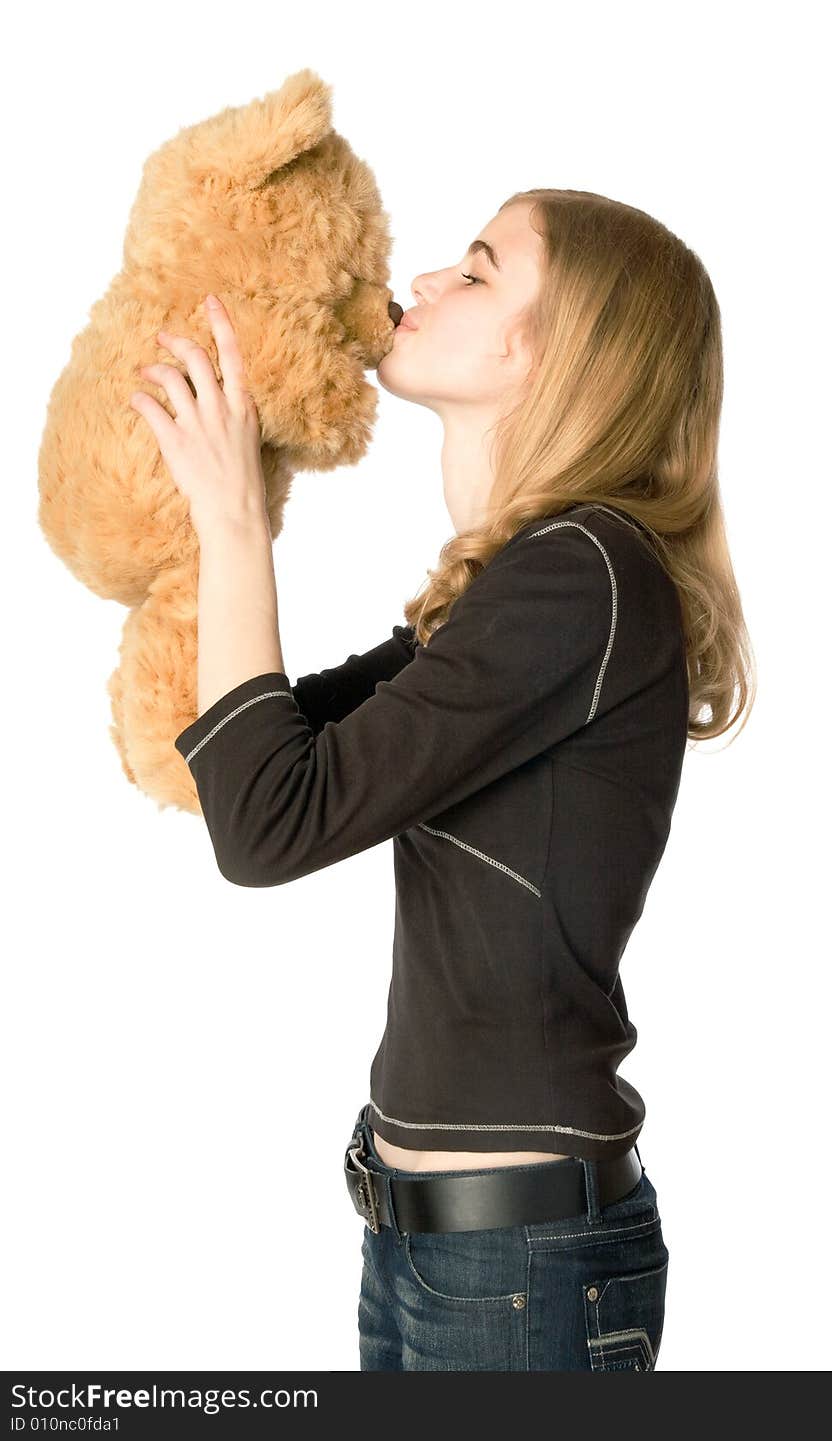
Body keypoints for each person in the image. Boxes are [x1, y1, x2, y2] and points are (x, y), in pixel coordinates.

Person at [132, 188, 754, 1371]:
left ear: (548, 346)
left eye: (474, 269)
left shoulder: (582, 575)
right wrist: (222, 494)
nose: (419, 283)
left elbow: (268, 825)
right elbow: (245, 754)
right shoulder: (519, 586)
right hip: (445, 1249)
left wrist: (233, 529)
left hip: (518, 1265)